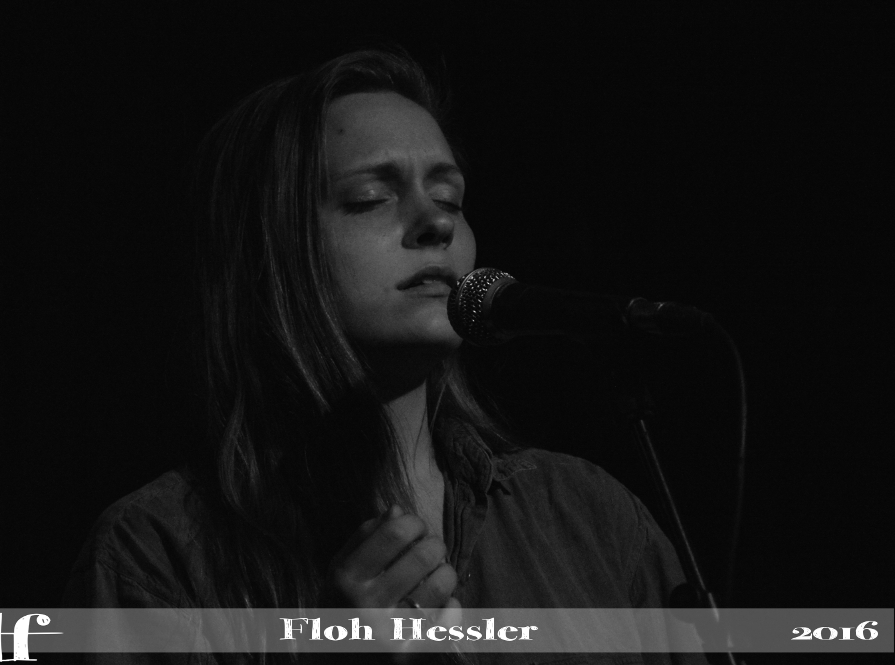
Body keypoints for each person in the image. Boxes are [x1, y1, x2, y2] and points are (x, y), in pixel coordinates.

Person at [62, 49, 705, 664]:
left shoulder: (588, 515)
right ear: (264, 254)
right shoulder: (156, 551)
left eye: (450, 199)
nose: (437, 224)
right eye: (370, 198)